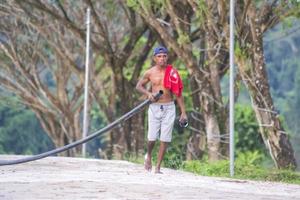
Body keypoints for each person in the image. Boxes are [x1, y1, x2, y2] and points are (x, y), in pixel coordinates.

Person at [136, 46, 187, 173]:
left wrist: (183, 112)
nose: (162, 58)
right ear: (154, 58)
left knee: (165, 138)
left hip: (169, 107)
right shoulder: (150, 72)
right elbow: (139, 86)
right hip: (154, 107)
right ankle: (148, 156)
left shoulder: (172, 73)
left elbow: (178, 93)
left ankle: (158, 167)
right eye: (159, 56)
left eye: (164, 56)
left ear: (167, 57)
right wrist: (148, 94)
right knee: (152, 137)